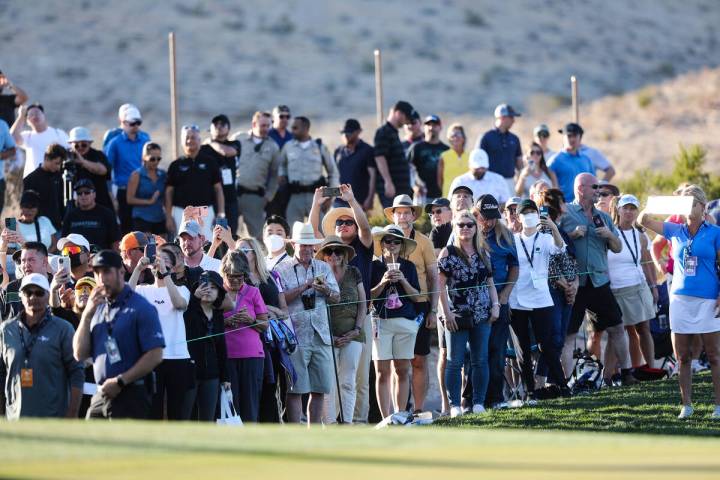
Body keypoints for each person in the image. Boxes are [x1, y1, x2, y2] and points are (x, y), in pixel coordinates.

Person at [639, 185, 720, 419]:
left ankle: (718, 406)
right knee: (682, 357)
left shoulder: (715, 232)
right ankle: (687, 405)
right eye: (684, 203)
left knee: (714, 356)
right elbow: (644, 219)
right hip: (680, 300)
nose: (688, 207)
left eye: (692, 203)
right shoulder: (675, 230)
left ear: (703, 207)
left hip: (708, 300)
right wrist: (661, 205)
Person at [560, 173, 637, 386]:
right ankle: (563, 383)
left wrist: (610, 236)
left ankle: (627, 373)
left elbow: (618, 247)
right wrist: (572, 235)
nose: (598, 191)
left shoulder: (602, 217)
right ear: (580, 189)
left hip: (599, 283)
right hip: (573, 285)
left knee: (617, 327)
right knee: (569, 335)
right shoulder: (565, 213)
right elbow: (554, 244)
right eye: (594, 187)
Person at [73, 250, 165, 419]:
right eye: (97, 272)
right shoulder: (97, 306)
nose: (101, 278)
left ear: (121, 272)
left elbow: (155, 355)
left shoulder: (141, 307)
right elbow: (79, 354)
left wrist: (120, 381)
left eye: (106, 271)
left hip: (131, 392)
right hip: (102, 392)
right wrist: (86, 315)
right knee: (90, 442)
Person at [312, 184, 374, 423]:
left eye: (349, 222)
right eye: (339, 223)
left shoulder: (361, 248)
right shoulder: (329, 252)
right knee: (333, 378)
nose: (343, 225)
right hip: (328, 326)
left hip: (360, 319)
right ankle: (334, 421)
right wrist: (316, 204)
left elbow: (366, 228)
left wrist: (351, 200)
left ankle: (358, 421)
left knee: (358, 377)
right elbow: (314, 234)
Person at [438, 210, 500, 416]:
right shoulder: (448, 252)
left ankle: (478, 403)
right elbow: (439, 288)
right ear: (455, 228)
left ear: (476, 228)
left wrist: (496, 305)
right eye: (461, 225)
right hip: (457, 315)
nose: (465, 228)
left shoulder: (484, 251)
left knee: (480, 359)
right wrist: (446, 314)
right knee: (454, 361)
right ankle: (455, 405)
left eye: (469, 224)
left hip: (482, 313)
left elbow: (490, 282)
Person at [277, 224, 340, 425]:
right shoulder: (280, 269)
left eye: (309, 246)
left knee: (319, 388)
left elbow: (337, 297)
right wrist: (305, 286)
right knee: (296, 389)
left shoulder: (322, 267)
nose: (306, 249)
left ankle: (314, 433)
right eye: (302, 245)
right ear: (293, 245)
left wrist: (325, 290)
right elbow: (280, 300)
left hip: (321, 334)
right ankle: (295, 434)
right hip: (295, 335)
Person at [0, 273, 83, 419]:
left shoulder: (63, 329)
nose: (33, 297)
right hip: (14, 417)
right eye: (28, 292)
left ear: (47, 295)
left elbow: (76, 373)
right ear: (21, 296)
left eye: (39, 293)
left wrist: (72, 413)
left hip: (53, 418)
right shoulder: (7, 329)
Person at [384, 194, 438, 413]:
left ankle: (418, 409)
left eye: (407, 212)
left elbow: (434, 276)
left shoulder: (424, 241)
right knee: (397, 362)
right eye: (399, 212)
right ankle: (399, 410)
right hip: (390, 304)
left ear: (413, 216)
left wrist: (433, 310)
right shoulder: (385, 238)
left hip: (419, 303)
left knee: (418, 359)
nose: (403, 216)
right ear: (394, 215)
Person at [510, 199, 569, 400]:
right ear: (518, 217)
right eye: (524, 213)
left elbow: (560, 249)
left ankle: (562, 385)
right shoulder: (513, 240)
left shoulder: (544, 238)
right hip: (517, 301)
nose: (528, 216)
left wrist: (553, 228)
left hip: (541, 299)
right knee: (523, 350)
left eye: (532, 212)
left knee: (548, 346)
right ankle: (530, 391)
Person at [129, 247, 193, 420]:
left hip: (178, 357)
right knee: (153, 410)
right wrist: (138, 269)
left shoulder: (182, 289)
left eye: (165, 260)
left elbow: (179, 304)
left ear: (172, 267)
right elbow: (124, 298)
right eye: (158, 258)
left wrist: (165, 275)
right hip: (151, 358)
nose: (159, 262)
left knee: (176, 410)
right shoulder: (143, 290)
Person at [370, 225, 420, 417]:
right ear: (382, 244)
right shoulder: (374, 266)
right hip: (380, 321)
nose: (392, 245)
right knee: (382, 372)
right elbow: (368, 296)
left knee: (402, 370)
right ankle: (386, 418)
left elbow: (417, 297)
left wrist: (403, 281)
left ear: (402, 245)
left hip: (405, 321)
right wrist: (383, 282)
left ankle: (400, 415)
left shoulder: (409, 267)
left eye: (396, 241)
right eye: (388, 241)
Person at [474, 195, 519, 409]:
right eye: (485, 217)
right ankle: (473, 399)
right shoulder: (468, 232)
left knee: (497, 350)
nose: (489, 222)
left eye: (493, 217)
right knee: (475, 353)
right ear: (477, 214)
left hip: (499, 301)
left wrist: (504, 296)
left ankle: (495, 398)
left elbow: (514, 267)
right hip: (473, 303)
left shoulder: (505, 235)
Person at [607, 194, 658, 374]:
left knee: (644, 328)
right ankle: (617, 372)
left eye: (633, 208)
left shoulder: (641, 236)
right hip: (617, 288)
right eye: (625, 208)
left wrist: (653, 286)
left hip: (639, 285)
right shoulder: (610, 233)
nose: (629, 212)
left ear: (637, 211)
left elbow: (646, 262)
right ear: (618, 209)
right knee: (620, 332)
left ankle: (650, 368)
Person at [317, 236, 365, 424]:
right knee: (327, 382)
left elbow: (362, 303)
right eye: (329, 251)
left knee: (348, 381)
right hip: (325, 335)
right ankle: (329, 424)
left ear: (345, 254)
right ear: (324, 256)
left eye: (338, 251)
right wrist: (328, 335)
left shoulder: (354, 272)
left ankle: (347, 422)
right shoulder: (318, 275)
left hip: (353, 333)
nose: (334, 255)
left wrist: (357, 329)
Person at [536, 189, 579, 377]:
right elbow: (547, 262)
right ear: (557, 204)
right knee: (552, 338)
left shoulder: (559, 229)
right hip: (552, 291)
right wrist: (565, 285)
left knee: (559, 339)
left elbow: (569, 260)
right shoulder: (544, 228)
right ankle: (542, 380)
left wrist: (573, 284)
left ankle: (553, 382)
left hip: (565, 291)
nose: (566, 205)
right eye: (563, 201)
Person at [184, 269, 228, 421]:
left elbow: (222, 348)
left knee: (208, 419)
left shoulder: (218, 316)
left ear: (219, 293)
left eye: (213, 287)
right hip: (188, 373)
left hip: (212, 375)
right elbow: (188, 320)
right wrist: (194, 299)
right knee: (184, 417)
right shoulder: (187, 310)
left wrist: (225, 377)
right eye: (204, 285)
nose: (208, 290)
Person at [165, 125, 225, 239]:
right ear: (182, 142)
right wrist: (168, 216)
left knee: (206, 243)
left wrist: (221, 213)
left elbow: (218, 189)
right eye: (187, 138)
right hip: (181, 212)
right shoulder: (175, 165)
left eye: (193, 137)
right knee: (182, 243)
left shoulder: (210, 162)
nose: (190, 140)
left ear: (199, 140)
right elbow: (168, 192)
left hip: (205, 212)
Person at [279, 116, 338, 226]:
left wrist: (330, 198)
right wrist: (282, 175)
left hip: (316, 197)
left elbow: (333, 172)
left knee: (320, 231)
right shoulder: (288, 146)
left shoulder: (319, 147)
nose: (292, 131)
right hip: (295, 196)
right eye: (292, 128)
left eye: (295, 128)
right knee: (293, 232)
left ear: (305, 128)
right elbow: (281, 165)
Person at [231, 111, 281, 238]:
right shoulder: (239, 138)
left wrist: (268, 196)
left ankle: (258, 257)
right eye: (263, 125)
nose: (266, 129)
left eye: (268, 126)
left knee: (258, 237)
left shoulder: (273, 147)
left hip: (255, 197)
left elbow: (275, 174)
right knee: (228, 231)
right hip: (234, 194)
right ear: (254, 124)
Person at [104, 105, 150, 233]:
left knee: (144, 225)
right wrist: (110, 195)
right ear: (123, 123)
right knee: (127, 228)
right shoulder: (115, 143)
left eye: (138, 123)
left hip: (142, 189)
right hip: (124, 190)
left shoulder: (145, 140)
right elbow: (107, 169)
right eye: (132, 123)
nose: (135, 126)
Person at [200, 115, 241, 235]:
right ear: (210, 129)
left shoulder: (234, 144)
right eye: (215, 124)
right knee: (212, 235)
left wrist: (211, 142)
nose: (219, 127)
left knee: (230, 233)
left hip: (230, 198)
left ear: (228, 129)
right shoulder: (204, 149)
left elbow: (227, 152)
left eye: (222, 124)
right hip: (211, 199)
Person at [374, 101, 417, 207]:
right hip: (392, 190)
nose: (406, 123)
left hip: (400, 190)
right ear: (398, 113)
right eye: (406, 118)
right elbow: (380, 157)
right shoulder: (384, 132)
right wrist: (388, 182)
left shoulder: (393, 132)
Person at [10, 103, 69, 179]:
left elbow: (70, 151)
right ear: (27, 121)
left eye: (37, 113)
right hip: (33, 180)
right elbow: (11, 138)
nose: (35, 116)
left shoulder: (58, 133)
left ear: (43, 115)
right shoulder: (28, 136)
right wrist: (21, 116)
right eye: (31, 114)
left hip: (55, 179)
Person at [475, 104, 523, 193]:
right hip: (490, 182)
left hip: (510, 182)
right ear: (503, 118)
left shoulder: (515, 139)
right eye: (511, 117)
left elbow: (519, 163)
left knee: (510, 207)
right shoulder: (486, 137)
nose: (514, 121)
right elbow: (478, 161)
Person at [61, 179, 121, 250]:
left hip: (100, 257)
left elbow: (115, 241)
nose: (83, 195)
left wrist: (115, 259)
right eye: (79, 193)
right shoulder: (70, 215)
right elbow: (64, 241)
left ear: (94, 194)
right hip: (76, 256)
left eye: (87, 192)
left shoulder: (106, 213)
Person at [1, 241, 52, 319]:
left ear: (45, 261)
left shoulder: (57, 286)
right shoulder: (9, 289)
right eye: (23, 261)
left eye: (31, 260)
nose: (26, 265)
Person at [67, 127, 114, 212]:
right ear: (70, 144)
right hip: (76, 207)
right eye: (76, 145)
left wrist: (83, 162)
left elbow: (103, 170)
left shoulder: (98, 155)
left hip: (100, 204)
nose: (80, 147)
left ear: (90, 143)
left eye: (84, 144)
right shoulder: (67, 159)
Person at [334, 119, 376, 210]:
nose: (345, 135)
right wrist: (329, 196)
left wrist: (370, 198)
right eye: (343, 133)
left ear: (358, 132)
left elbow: (373, 176)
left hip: (359, 202)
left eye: (349, 132)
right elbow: (334, 176)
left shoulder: (367, 150)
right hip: (339, 201)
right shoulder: (338, 152)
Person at [126, 142, 167, 235]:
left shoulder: (163, 174)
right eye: (152, 159)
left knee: (162, 247)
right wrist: (149, 201)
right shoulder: (136, 175)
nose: (156, 162)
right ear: (144, 157)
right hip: (142, 218)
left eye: (158, 158)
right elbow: (129, 199)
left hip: (159, 217)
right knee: (146, 247)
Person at [547, 123, 594, 203]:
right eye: (569, 136)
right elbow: (549, 187)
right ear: (563, 138)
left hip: (585, 206)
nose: (572, 139)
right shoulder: (554, 160)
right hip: (565, 206)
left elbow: (593, 183)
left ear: (580, 138)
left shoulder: (586, 160)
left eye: (575, 136)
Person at [22, 143, 65, 230]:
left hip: (57, 227)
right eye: (56, 163)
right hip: (38, 229)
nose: (58, 167)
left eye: (60, 164)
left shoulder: (59, 176)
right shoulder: (30, 179)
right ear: (46, 158)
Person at [408, 115, 449, 204]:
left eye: (434, 125)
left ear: (440, 127)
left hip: (441, 196)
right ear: (424, 127)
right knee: (421, 218)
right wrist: (415, 186)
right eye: (428, 125)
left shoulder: (446, 150)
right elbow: (409, 170)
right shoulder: (416, 148)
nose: (431, 128)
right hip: (421, 196)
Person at [265, 105, 293, 219]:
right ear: (273, 119)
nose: (285, 119)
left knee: (285, 218)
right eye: (281, 116)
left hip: (287, 184)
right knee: (270, 218)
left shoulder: (292, 137)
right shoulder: (267, 135)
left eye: (287, 117)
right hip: (269, 183)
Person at [440, 124, 469, 195]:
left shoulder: (470, 156)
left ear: (463, 138)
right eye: (452, 135)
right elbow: (439, 181)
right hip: (448, 196)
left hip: (466, 196)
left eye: (458, 134)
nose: (455, 138)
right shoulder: (444, 156)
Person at [0, 117, 16, 213]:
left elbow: (12, 150)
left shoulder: (2, 124)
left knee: (9, 210)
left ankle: (11, 228)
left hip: (0, 180)